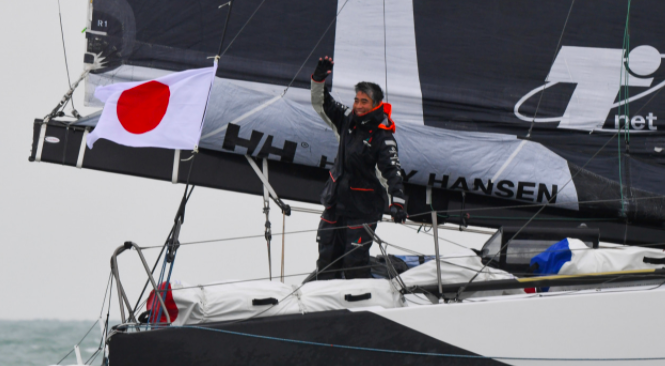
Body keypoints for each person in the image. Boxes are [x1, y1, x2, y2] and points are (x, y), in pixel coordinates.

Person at [310, 55, 407, 280]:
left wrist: (398, 204)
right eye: (356, 100)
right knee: (327, 257)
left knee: (354, 263)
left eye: (364, 102)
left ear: (376, 105)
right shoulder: (346, 119)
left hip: (362, 210)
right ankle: (325, 299)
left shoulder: (383, 136)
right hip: (335, 204)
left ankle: (358, 301)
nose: (359, 106)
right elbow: (321, 103)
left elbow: (392, 173)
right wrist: (319, 78)